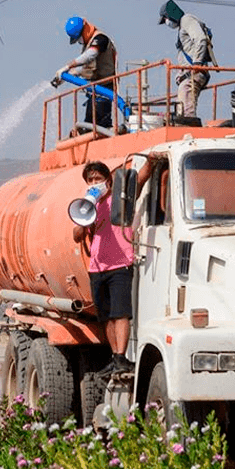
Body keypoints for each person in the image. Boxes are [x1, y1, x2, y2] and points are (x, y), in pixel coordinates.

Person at [72, 161, 151, 376]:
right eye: (91, 180)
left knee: (121, 313)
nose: (94, 183)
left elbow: (140, 180)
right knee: (105, 316)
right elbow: (76, 235)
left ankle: (121, 356)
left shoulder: (120, 198)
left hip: (120, 264)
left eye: (98, 179)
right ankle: (115, 357)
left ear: (108, 181)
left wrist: (151, 162)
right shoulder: (89, 204)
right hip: (97, 267)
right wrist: (84, 219)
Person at [53, 17, 118, 130]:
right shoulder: (89, 44)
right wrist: (67, 76)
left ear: (85, 29)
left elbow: (90, 55)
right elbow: (86, 68)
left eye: (79, 39)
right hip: (94, 90)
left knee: (100, 126)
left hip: (104, 89)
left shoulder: (100, 39)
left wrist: (68, 66)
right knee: (89, 126)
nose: (80, 42)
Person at [159, 0, 216, 119]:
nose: (166, 22)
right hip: (190, 74)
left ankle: (189, 127)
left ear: (170, 15)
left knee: (186, 108)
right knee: (182, 105)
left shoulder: (187, 20)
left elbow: (200, 39)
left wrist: (197, 63)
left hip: (194, 73)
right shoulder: (182, 27)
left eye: (165, 19)